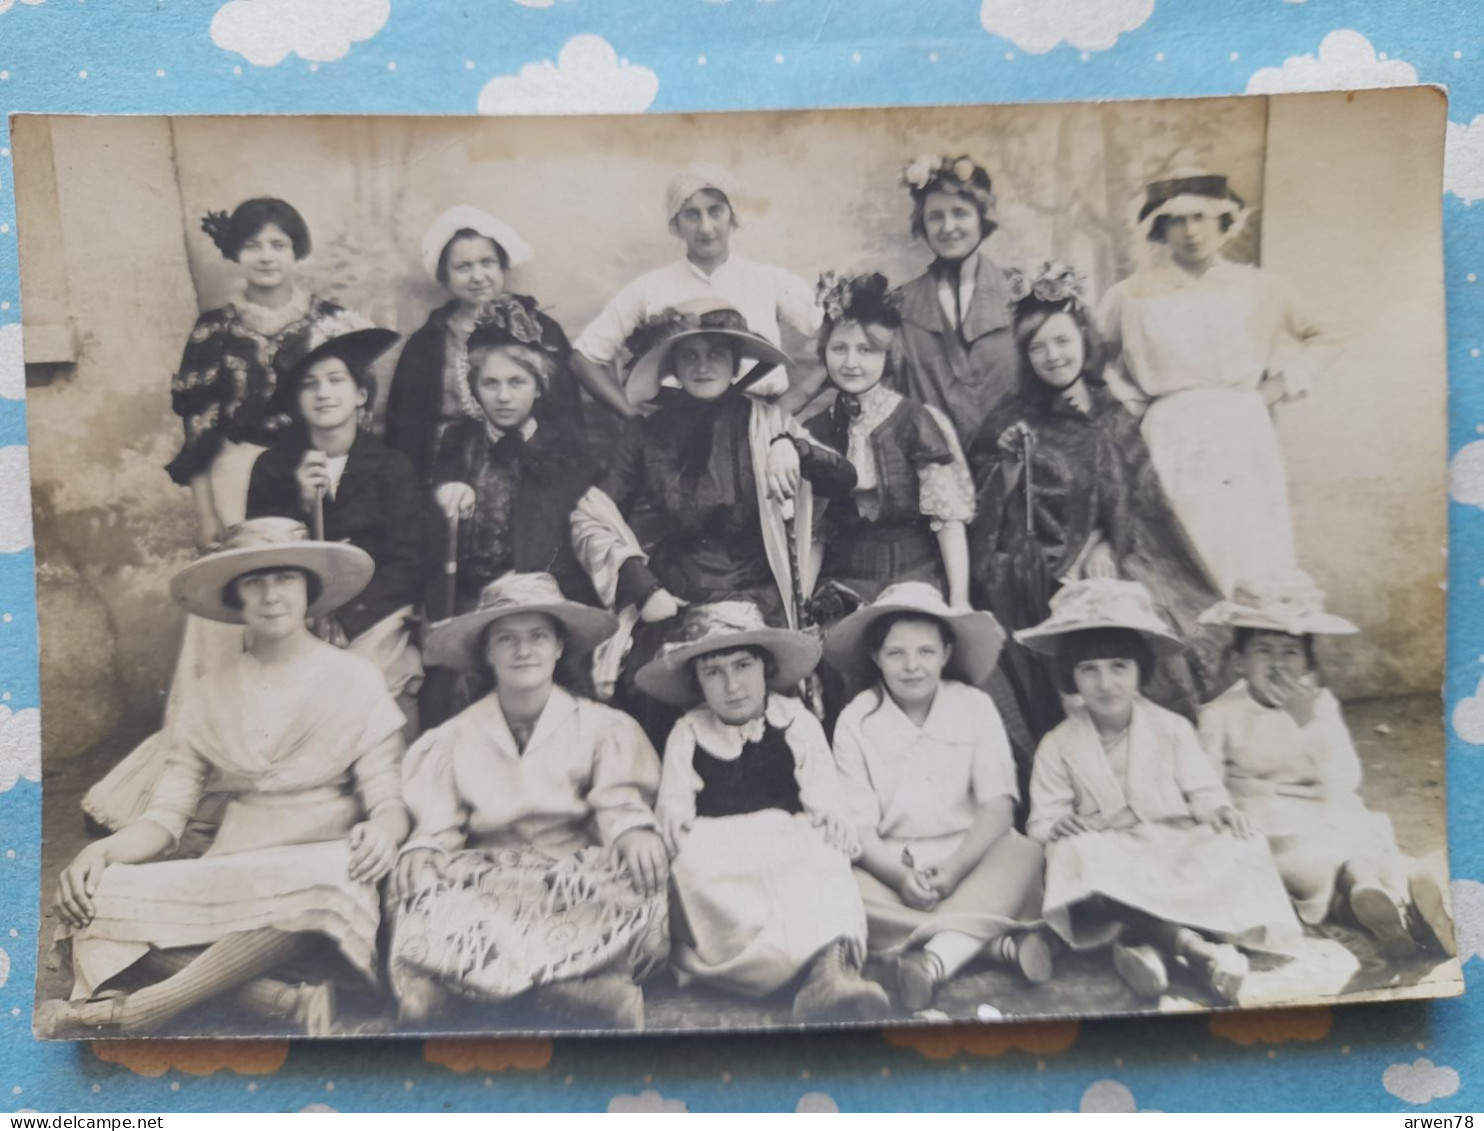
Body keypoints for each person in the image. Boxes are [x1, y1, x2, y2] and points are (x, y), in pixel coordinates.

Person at [40, 518, 409, 1037]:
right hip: (236, 869)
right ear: (236, 598)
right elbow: (166, 817)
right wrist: (99, 853)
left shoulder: (357, 679)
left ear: (309, 588)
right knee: (92, 904)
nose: (271, 594)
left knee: (333, 878)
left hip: (323, 869)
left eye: (284, 577)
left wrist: (383, 831)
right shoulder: (209, 691)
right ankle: (280, 1001)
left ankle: (142, 1009)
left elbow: (388, 799)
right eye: (253, 581)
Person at [83, 198, 375, 833]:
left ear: (297, 251)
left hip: (311, 461)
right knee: (235, 610)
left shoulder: (332, 322)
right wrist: (206, 512)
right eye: (253, 245)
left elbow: (357, 411)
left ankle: (296, 760)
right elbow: (199, 429)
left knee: (297, 599)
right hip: (237, 470)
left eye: (278, 244)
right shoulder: (213, 330)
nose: (266, 256)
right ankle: (203, 780)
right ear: (235, 254)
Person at [389, 573, 669, 1031]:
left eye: (539, 636)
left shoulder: (602, 727)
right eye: (507, 639)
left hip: (572, 872)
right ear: (487, 652)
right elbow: (439, 821)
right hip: (490, 872)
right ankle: (560, 992)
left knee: (639, 877)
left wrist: (632, 830)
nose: (524, 651)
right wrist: (425, 846)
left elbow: (619, 801)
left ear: (559, 647)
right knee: (419, 884)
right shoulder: (451, 738)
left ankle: (545, 989)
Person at [569, 298, 856, 733]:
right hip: (677, 600)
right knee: (651, 692)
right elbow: (592, 516)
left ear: (735, 362)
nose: (703, 367)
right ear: (674, 367)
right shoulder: (647, 434)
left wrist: (791, 447)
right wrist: (643, 589)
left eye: (716, 355)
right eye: (690, 356)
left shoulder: (767, 421)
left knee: (786, 697)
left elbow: (844, 478)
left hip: (757, 596)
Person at [968, 263, 1222, 741]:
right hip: (1035, 568)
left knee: (1154, 621)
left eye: (1062, 341)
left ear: (1083, 339)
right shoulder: (1012, 414)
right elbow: (981, 503)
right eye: (1037, 347)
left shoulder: (1111, 412)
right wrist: (1007, 470)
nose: (1052, 356)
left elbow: (1144, 502)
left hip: (1112, 558)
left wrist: (1108, 543)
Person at [1019, 578, 1299, 1005]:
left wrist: (1219, 811)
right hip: (1109, 850)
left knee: (1242, 841)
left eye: (1119, 667)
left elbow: (1203, 791)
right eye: (1088, 669)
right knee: (1073, 856)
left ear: (1140, 671)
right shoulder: (1058, 743)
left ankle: (1138, 941)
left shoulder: (1172, 728)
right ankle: (1194, 949)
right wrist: (1059, 825)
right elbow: (1042, 819)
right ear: (1071, 676)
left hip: (1170, 843)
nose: (1105, 682)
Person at [636, 601, 890, 1022]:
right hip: (720, 848)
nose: (732, 685)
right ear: (698, 682)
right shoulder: (689, 732)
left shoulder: (795, 720)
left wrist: (829, 820)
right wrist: (676, 824)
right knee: (691, 864)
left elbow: (822, 793)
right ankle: (765, 970)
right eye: (713, 672)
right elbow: (675, 804)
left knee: (824, 853)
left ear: (766, 669)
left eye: (743, 666)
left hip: (787, 840)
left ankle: (829, 970)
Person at [1196, 569, 1455, 959]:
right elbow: (1207, 781)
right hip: (1262, 814)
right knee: (1305, 865)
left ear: (1308, 665)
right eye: (1263, 650)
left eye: (1291, 652)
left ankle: (1393, 900)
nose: (1278, 665)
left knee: (1361, 843)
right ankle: (1373, 909)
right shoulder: (1219, 714)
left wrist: (1308, 724)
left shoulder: (1318, 706)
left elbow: (1345, 779)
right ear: (1238, 661)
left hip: (1323, 806)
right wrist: (1222, 814)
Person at [1097, 172, 1328, 595]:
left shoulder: (1260, 287)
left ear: (1224, 222)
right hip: (1168, 436)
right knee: (1179, 554)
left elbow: (1324, 336)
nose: (1191, 231)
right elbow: (1093, 359)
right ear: (1160, 228)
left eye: (1201, 217)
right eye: (1177, 220)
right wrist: (1131, 405)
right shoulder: (1130, 295)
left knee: (1246, 556)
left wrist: (1276, 388)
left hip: (1242, 434)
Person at [826, 582, 1050, 1012]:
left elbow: (998, 806)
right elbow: (859, 826)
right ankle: (986, 947)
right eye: (896, 653)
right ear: (876, 657)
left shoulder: (976, 706)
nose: (912, 666)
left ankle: (932, 956)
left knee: (1026, 852)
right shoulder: (855, 719)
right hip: (893, 864)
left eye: (926, 652)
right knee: (840, 885)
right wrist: (896, 876)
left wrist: (953, 870)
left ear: (946, 653)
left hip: (970, 858)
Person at [421, 295, 622, 724]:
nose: (503, 397)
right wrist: (447, 493)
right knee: (449, 694)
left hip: (547, 600)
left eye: (517, 383)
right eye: (490, 384)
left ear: (538, 385)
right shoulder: (460, 442)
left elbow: (575, 540)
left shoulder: (565, 450)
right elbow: (440, 509)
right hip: (475, 600)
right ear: (473, 387)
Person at [246, 328, 425, 732]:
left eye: (335, 380)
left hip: (375, 614)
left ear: (361, 393)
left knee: (369, 685)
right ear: (295, 402)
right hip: (295, 615)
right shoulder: (273, 468)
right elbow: (260, 559)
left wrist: (350, 616)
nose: (323, 393)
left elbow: (408, 560)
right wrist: (305, 508)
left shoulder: (392, 467)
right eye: (309, 385)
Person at [570, 162, 821, 417]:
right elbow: (583, 358)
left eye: (715, 211)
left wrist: (794, 402)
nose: (705, 227)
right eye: (691, 214)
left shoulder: (771, 280)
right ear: (675, 223)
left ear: (732, 216)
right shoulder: (648, 288)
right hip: (674, 431)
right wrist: (633, 418)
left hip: (758, 422)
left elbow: (828, 330)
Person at [804, 272, 976, 609]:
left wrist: (960, 601)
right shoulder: (816, 430)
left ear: (887, 357)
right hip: (842, 578)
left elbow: (948, 522)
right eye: (840, 348)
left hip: (914, 574)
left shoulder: (917, 421)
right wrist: (801, 606)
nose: (851, 362)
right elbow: (815, 537)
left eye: (866, 350)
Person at [385, 205, 581, 484]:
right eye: (463, 267)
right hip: (446, 476)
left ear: (502, 266)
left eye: (487, 263)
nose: (478, 277)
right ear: (445, 277)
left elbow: (567, 418)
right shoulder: (426, 344)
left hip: (533, 473)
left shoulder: (542, 331)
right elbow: (404, 433)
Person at [889, 155, 1020, 447]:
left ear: (981, 218)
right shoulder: (900, 305)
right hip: (936, 471)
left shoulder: (1021, 293)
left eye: (960, 213)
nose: (948, 228)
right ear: (922, 225)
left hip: (1013, 470)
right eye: (935, 216)